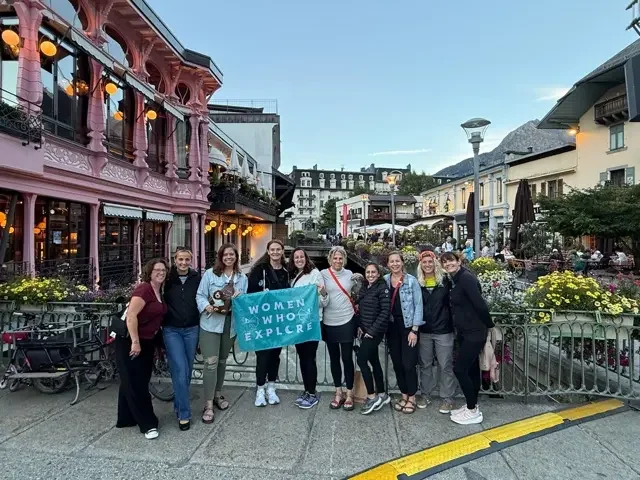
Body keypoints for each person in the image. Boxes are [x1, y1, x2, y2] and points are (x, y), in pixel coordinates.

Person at [115, 258, 168, 440]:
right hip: (130, 341)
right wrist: (135, 342)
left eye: (163, 270)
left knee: (131, 381)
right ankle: (148, 424)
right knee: (137, 384)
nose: (161, 273)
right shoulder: (144, 289)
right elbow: (131, 316)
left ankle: (126, 418)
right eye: (157, 270)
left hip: (147, 342)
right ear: (149, 272)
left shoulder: (158, 290)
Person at [440, 251, 494, 425]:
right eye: (445, 263)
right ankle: (472, 405)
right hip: (465, 331)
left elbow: (480, 304)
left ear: (459, 261)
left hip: (475, 332)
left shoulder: (466, 278)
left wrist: (490, 326)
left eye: (451, 261)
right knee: (471, 370)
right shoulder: (455, 279)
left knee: (460, 369)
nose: (448, 264)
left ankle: (472, 410)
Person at [196, 243, 247, 423]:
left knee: (222, 362)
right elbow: (200, 295)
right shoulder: (210, 274)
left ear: (236, 257)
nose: (228, 258)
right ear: (220, 256)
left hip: (230, 324)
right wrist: (206, 306)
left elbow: (245, 304)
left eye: (232, 255)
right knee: (210, 363)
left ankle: (218, 395)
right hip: (211, 324)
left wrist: (240, 298)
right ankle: (208, 404)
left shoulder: (242, 277)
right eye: (225, 255)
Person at [247, 239, 290, 407]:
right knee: (262, 356)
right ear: (268, 251)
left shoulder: (286, 271)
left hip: (278, 321)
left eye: (278, 249)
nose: (275, 252)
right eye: (272, 249)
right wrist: (261, 295)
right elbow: (250, 294)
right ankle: (260, 389)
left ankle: (271, 386)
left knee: (275, 356)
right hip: (262, 321)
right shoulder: (259, 270)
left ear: (282, 251)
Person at [163, 248, 201, 431]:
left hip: (192, 329)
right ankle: (184, 414)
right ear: (175, 260)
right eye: (180, 259)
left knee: (187, 372)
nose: (184, 263)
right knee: (180, 369)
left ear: (191, 260)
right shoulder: (167, 278)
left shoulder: (196, 278)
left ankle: (178, 406)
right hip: (172, 330)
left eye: (187, 259)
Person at [287, 248, 329, 409]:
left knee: (309, 358)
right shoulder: (292, 276)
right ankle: (307, 389)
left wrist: (322, 293)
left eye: (301, 257)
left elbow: (323, 302)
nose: (299, 260)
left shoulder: (315, 274)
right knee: (302, 357)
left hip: (311, 322)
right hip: (297, 323)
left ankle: (312, 392)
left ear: (306, 258)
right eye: (296, 257)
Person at [415, 251, 455, 414]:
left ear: (435, 263)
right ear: (420, 264)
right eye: (424, 262)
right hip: (424, 329)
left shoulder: (446, 280)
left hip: (443, 329)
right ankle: (425, 394)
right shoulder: (417, 282)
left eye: (430, 261)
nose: (427, 265)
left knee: (445, 364)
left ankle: (447, 397)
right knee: (425, 364)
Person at [384, 251, 423, 414]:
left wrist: (415, 329)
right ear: (388, 264)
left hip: (408, 327)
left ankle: (412, 397)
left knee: (408, 364)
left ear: (402, 262)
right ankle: (404, 394)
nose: (394, 264)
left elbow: (418, 305)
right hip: (392, 327)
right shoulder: (385, 280)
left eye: (397, 261)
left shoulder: (411, 281)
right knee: (397, 363)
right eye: (391, 261)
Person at [321, 246, 356, 411]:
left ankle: (349, 393)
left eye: (340, 258)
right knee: (334, 359)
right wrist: (322, 294)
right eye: (335, 258)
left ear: (344, 260)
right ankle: (338, 392)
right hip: (329, 321)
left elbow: (357, 291)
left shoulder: (350, 274)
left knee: (347, 358)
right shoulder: (323, 275)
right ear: (330, 259)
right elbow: (321, 299)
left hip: (347, 319)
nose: (338, 261)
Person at [355, 262, 391, 415]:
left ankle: (372, 396)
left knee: (362, 360)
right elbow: (361, 308)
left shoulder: (382, 288)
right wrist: (360, 327)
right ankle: (382, 393)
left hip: (374, 332)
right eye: (367, 272)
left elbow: (385, 312)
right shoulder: (365, 287)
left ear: (378, 273)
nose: (370, 275)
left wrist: (371, 331)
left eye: (373, 272)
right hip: (365, 330)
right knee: (374, 361)